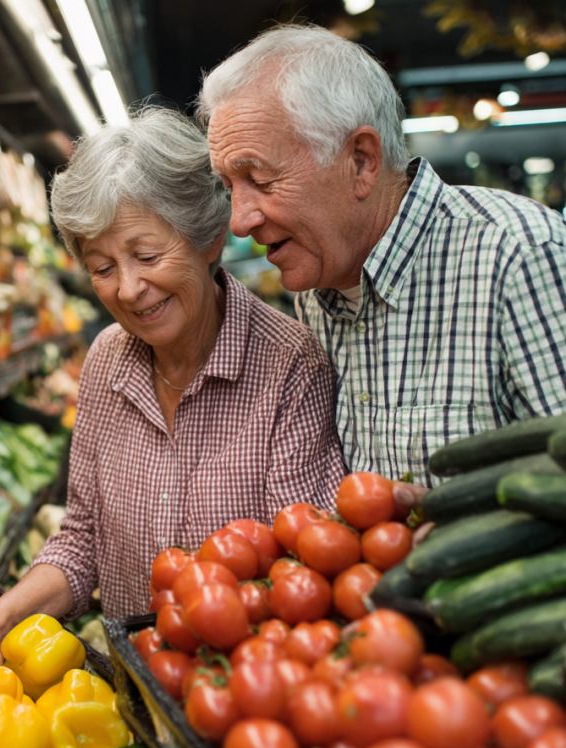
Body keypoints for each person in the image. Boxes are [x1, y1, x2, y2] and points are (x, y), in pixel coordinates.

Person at [0, 107, 346, 664]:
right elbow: (83, 539)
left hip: (239, 686)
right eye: (102, 267)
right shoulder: (105, 359)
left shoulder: (289, 366)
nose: (129, 289)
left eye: (147, 255)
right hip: (131, 684)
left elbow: (305, 569)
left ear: (208, 239)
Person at [201, 24, 566, 512]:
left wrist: (461, 521)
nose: (240, 221)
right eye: (230, 186)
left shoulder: (520, 257)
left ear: (362, 161)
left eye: (261, 179)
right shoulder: (317, 289)